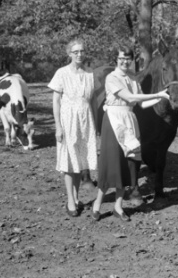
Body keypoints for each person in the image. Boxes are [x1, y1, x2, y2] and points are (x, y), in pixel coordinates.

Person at [91, 46, 169, 222]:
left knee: (129, 163)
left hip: (130, 120)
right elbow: (131, 98)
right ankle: (97, 203)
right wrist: (157, 93)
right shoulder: (112, 78)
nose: (124, 61)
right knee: (111, 161)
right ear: (116, 60)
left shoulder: (133, 80)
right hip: (113, 120)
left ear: (132, 60)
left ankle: (118, 207)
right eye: (121, 58)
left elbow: (142, 104)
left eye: (128, 58)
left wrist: (162, 97)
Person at [48, 39, 98, 218]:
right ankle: (70, 200)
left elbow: (91, 101)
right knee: (69, 163)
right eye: (75, 51)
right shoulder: (61, 73)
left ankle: (76, 197)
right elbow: (56, 101)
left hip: (86, 121)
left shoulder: (90, 74)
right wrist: (58, 127)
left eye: (82, 51)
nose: (79, 54)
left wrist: (95, 124)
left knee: (81, 162)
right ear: (69, 53)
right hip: (68, 121)